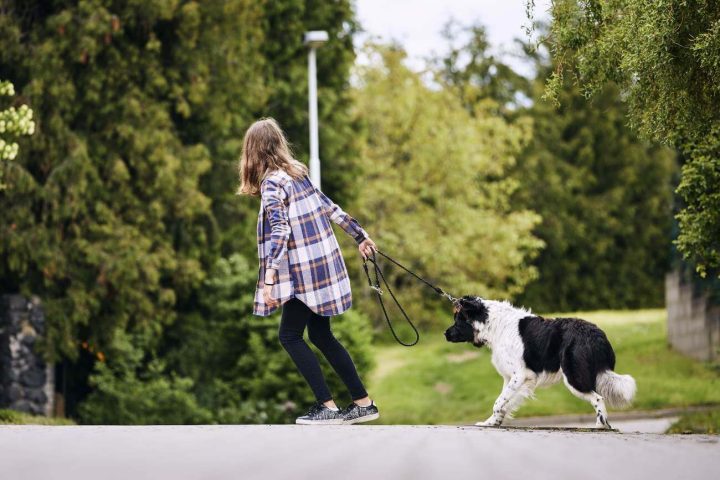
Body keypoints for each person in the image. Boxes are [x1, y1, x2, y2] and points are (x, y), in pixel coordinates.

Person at [237, 117, 379, 425]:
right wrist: (360, 235)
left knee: (289, 335)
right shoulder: (297, 173)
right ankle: (363, 403)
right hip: (322, 266)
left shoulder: (274, 182)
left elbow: (280, 230)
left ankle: (327, 407)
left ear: (254, 151)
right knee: (320, 333)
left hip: (301, 272)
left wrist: (270, 278)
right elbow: (329, 206)